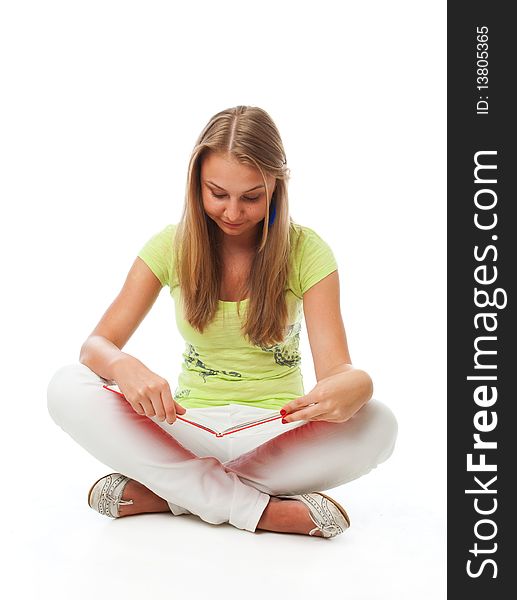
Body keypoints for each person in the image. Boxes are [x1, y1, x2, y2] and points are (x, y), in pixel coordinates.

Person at [47, 105, 398, 539]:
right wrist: (123, 366)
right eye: (218, 193)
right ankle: (259, 510)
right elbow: (96, 346)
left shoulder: (307, 250)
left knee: (380, 424)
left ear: (277, 187)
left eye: (251, 197)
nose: (233, 212)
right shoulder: (169, 246)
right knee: (65, 385)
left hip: (275, 432)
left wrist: (358, 384)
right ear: (196, 185)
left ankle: (169, 494)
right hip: (188, 425)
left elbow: (336, 372)